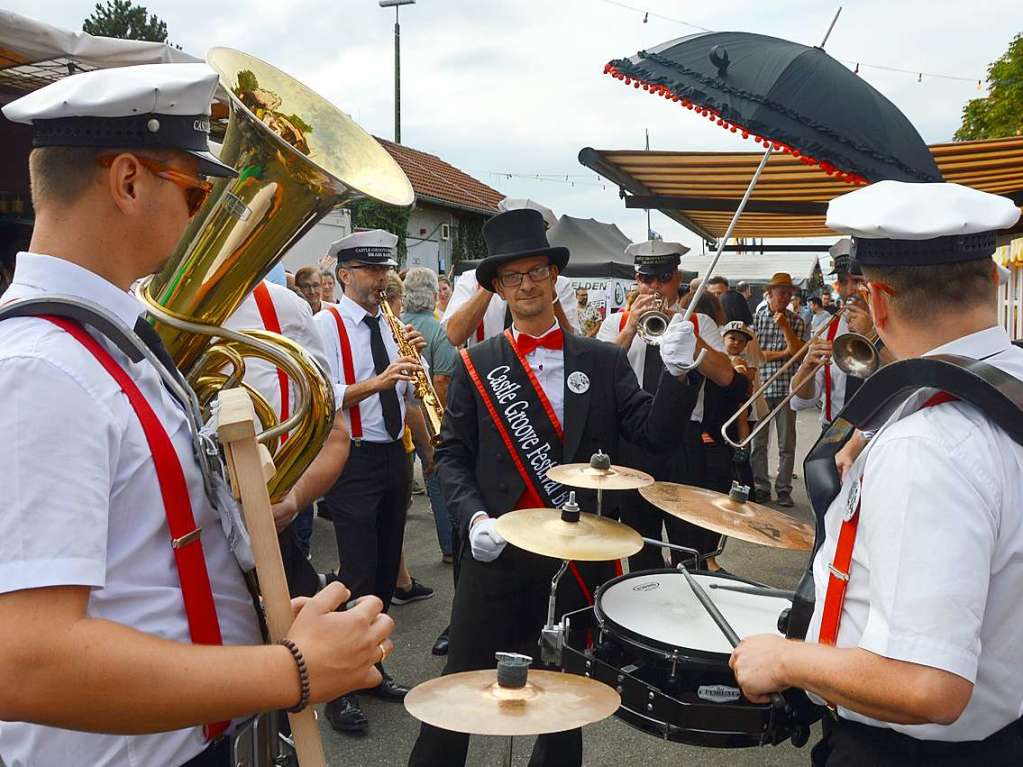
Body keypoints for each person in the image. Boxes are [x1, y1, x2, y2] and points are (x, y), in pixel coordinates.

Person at [0, 62, 392, 767]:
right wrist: (293, 669)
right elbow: (23, 659)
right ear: (127, 181)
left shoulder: (104, 346)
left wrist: (260, 633)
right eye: (195, 188)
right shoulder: (43, 368)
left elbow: (143, 568)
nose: (208, 211)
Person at [730, 180, 1023, 766]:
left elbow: (927, 685)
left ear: (879, 302)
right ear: (993, 283)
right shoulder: (1004, 384)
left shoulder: (929, 446)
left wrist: (785, 659)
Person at [408, 210, 699, 767]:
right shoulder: (476, 364)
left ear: (553, 276)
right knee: (458, 696)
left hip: (573, 561)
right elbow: (450, 458)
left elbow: (654, 439)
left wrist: (679, 375)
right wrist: (472, 520)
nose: (527, 285)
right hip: (495, 555)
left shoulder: (605, 360)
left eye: (537, 271)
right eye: (513, 277)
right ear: (497, 287)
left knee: (563, 706)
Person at [313, 230, 433, 734]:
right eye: (372, 271)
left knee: (385, 569)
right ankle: (338, 689)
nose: (383, 279)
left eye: (386, 270)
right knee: (357, 572)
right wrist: (379, 383)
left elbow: (403, 393)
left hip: (392, 455)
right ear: (345, 275)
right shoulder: (324, 323)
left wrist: (412, 370)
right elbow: (320, 391)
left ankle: (370, 669)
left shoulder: (391, 323)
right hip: (352, 459)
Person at [595, 242, 740, 570]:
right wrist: (631, 328)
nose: (655, 287)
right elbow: (598, 377)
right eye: (647, 279)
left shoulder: (700, 323)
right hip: (632, 442)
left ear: (677, 278)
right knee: (638, 545)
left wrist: (686, 333)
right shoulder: (614, 323)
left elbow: (726, 375)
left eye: (663, 278)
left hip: (684, 443)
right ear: (637, 280)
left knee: (689, 546)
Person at [224, 278, 345, 586]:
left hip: (270, 536)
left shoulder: (283, 307)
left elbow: (334, 433)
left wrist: (295, 496)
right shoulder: (129, 301)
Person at [442, 198, 579, 346]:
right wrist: (491, 280)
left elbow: (572, 343)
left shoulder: (560, 283)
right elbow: (454, 336)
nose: (526, 286)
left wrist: (550, 291)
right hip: (488, 367)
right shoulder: (471, 280)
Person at [402, 267, 458, 563]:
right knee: (435, 476)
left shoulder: (394, 323)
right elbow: (442, 381)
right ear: (434, 294)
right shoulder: (440, 328)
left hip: (397, 416)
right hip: (427, 415)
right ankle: (449, 546)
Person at [750, 272, 806, 507]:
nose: (784, 296)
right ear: (770, 293)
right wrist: (783, 354)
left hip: (786, 389)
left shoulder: (797, 322)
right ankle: (761, 485)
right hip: (762, 387)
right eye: (780, 291)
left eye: (788, 292)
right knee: (759, 443)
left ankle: (783, 488)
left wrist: (785, 327)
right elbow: (757, 355)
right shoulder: (757, 319)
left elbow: (799, 352)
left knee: (787, 444)